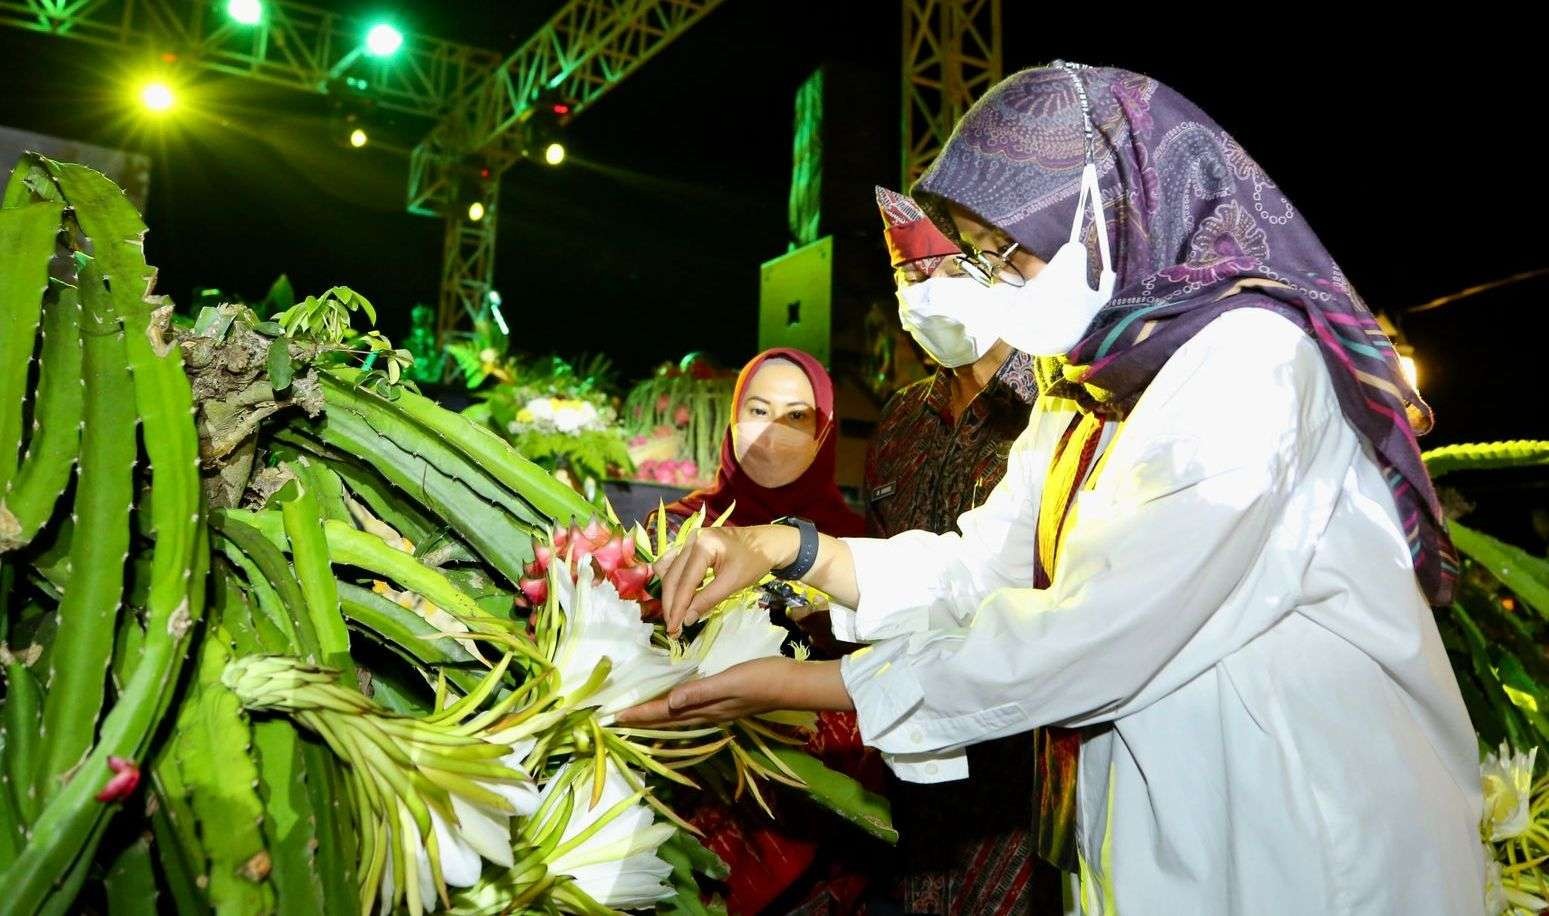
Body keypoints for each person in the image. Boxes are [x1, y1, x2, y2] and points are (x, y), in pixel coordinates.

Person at [622, 62, 1482, 914]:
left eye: (1007, 253)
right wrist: (784, 546)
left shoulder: (1248, 362)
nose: (987, 282)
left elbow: (1099, 631)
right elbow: (983, 567)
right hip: (1154, 806)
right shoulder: (1087, 382)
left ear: (1111, 210)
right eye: (978, 252)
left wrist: (805, 686)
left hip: (1295, 812)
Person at [865, 186, 1055, 913]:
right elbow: (886, 565)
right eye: (910, 279)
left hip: (1022, 756)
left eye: (946, 271)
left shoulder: (1052, 405)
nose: (928, 294)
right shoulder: (900, 420)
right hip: (910, 751)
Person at [656, 347, 864, 539]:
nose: (772, 434)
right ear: (735, 416)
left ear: (824, 433)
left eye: (797, 415)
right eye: (759, 411)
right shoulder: (678, 529)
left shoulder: (857, 552)